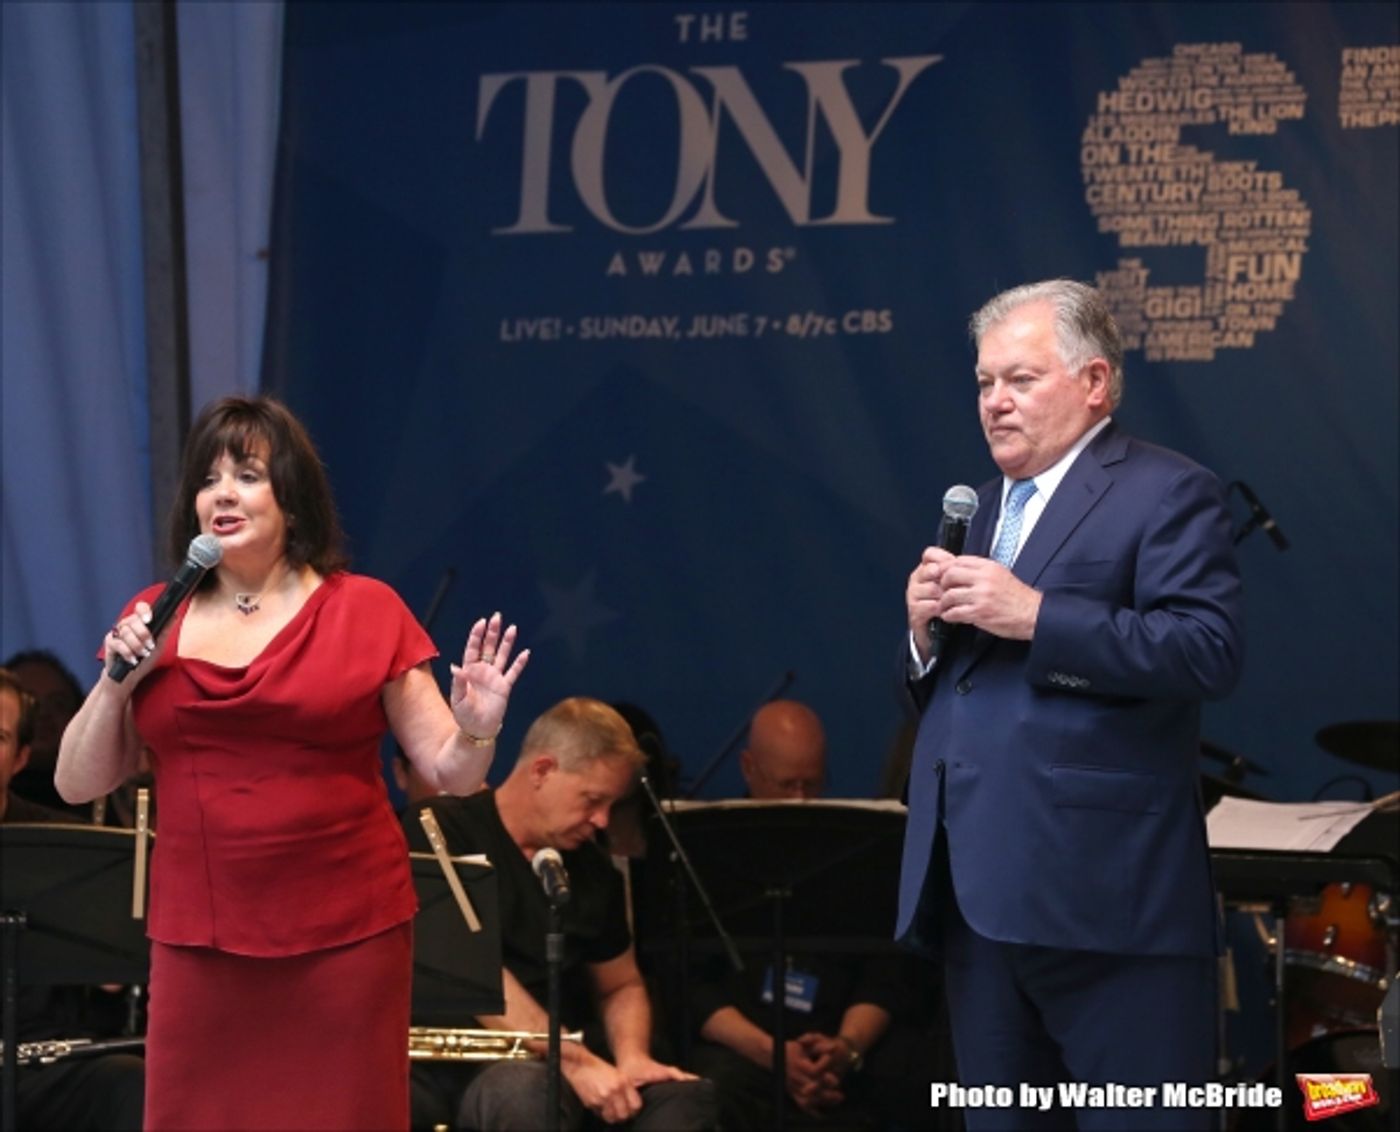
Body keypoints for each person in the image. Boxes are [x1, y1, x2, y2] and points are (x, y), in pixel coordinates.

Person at [54, 395, 530, 1131]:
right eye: (208, 478)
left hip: (346, 933)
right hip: (199, 934)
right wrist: (119, 680)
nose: (222, 492)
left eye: (246, 474)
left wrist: (475, 728)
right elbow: (75, 781)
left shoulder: (365, 610)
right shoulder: (157, 613)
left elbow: (451, 772)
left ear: (293, 499)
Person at [898, 280, 1243, 1130]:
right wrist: (923, 642)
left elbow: (1206, 651)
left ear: (1094, 382)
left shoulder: (1167, 491)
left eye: (1020, 378)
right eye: (984, 383)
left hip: (1105, 904)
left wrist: (1037, 615)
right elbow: (972, 691)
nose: (996, 401)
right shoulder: (979, 511)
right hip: (977, 898)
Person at [402, 696, 718, 1132]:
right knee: (524, 1093)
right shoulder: (438, 828)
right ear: (543, 770)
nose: (604, 821)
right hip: (461, 1065)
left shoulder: (593, 869)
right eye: (592, 799)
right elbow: (473, 975)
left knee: (684, 1101)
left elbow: (621, 984)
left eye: (612, 805)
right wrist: (576, 1063)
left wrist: (633, 1059)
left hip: (564, 1062)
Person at [689, 699, 938, 1130]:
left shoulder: (853, 845)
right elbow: (687, 985)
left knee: (917, 1073)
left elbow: (887, 972)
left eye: (812, 783)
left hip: (836, 1053)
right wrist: (772, 1054)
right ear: (749, 768)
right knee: (710, 1087)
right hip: (743, 1056)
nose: (801, 799)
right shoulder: (705, 852)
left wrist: (845, 1048)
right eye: (787, 785)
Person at [3, 667, 146, 1130]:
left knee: (131, 1083)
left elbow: (112, 971)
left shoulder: (63, 845)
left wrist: (111, 960)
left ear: (21, 757)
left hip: (44, 1059)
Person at [3, 648, 88, 818]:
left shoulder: (76, 834)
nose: (43, 715)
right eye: (33, 702)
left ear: (20, 757)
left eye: (57, 703)